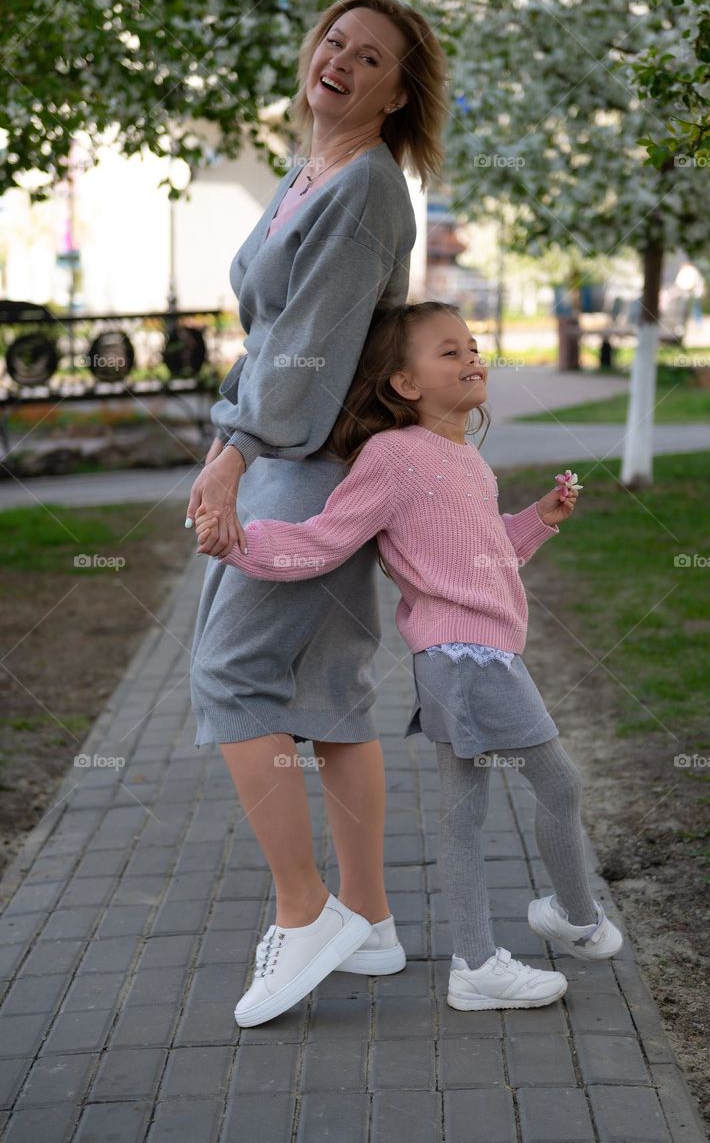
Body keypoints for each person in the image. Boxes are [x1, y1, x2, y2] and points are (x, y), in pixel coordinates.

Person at [195, 301, 623, 1019]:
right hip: (466, 660)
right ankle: (572, 918)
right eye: (448, 352)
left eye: (474, 346)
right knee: (560, 785)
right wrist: (238, 544)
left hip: (478, 655)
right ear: (403, 383)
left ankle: (477, 964)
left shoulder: (464, 458)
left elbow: (486, 556)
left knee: (463, 814)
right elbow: (326, 541)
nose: (472, 358)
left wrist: (537, 522)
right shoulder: (392, 457)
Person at [186, 0, 449, 1029]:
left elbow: (303, 351)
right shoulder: (312, 172)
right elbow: (276, 326)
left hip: (310, 458)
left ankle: (305, 914)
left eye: (369, 56)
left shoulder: (370, 188)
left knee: (228, 670)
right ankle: (370, 920)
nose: (340, 60)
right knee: (329, 692)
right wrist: (230, 442)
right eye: (335, 41)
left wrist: (234, 454)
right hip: (308, 451)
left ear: (395, 93)